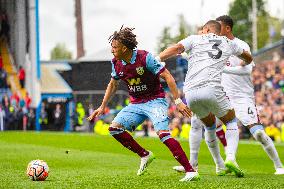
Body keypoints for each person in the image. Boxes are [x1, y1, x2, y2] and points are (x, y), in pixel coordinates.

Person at [87, 26, 200, 182]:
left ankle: (191, 171)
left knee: (162, 134)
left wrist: (178, 101)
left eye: (114, 47)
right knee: (114, 129)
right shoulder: (116, 62)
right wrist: (102, 106)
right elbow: (113, 84)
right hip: (136, 104)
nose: (112, 50)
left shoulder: (145, 58)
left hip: (155, 101)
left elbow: (167, 76)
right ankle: (145, 155)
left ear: (124, 48)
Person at [157, 20, 253, 177]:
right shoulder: (229, 42)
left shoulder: (194, 39)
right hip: (212, 89)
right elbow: (248, 57)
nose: (201, 32)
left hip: (191, 93)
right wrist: (244, 61)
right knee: (230, 121)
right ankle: (230, 158)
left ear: (207, 29)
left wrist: (156, 58)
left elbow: (176, 48)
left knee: (209, 125)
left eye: (202, 30)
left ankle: (215, 166)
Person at [215, 15, 284, 175]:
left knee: (258, 133)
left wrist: (224, 69)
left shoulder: (240, 45)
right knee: (206, 125)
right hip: (223, 96)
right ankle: (204, 165)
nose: (216, 31)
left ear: (227, 28)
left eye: (219, 27)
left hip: (242, 97)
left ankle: (279, 166)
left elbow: (247, 69)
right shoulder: (217, 46)